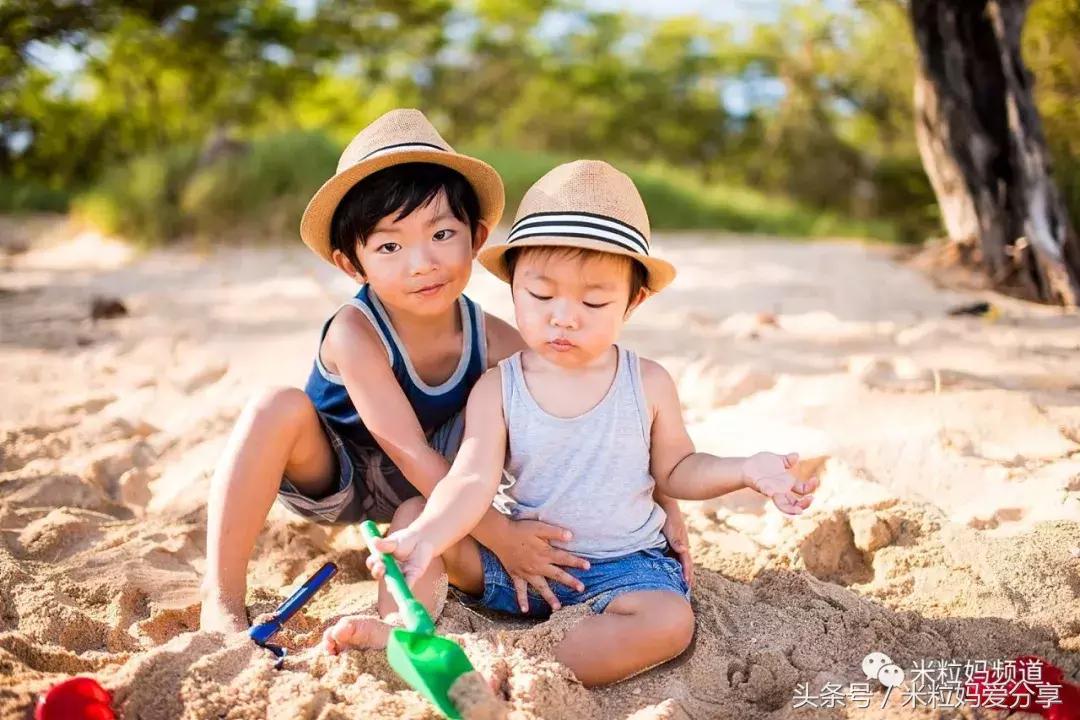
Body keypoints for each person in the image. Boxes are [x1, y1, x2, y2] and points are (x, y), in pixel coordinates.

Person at [322, 160, 819, 687]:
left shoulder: (647, 382)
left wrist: (747, 468)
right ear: (513, 287)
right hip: (513, 563)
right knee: (414, 513)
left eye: (594, 300)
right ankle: (403, 631)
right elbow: (469, 479)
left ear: (634, 300)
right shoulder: (498, 386)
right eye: (540, 296)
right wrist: (425, 537)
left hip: (621, 570)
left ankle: (510, 659)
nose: (564, 316)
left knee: (670, 622)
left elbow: (677, 468)